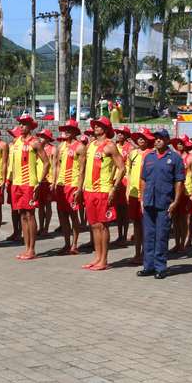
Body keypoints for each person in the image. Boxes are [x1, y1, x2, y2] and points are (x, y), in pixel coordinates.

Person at [138, 128, 185, 279]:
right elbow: (143, 179)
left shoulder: (175, 158)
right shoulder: (149, 156)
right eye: (156, 138)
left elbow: (179, 181)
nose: (157, 140)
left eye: (161, 138)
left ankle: (160, 267)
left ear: (167, 140)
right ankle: (148, 266)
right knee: (149, 235)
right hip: (149, 201)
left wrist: (176, 201)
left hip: (165, 202)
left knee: (162, 235)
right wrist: (142, 198)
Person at [81, 116, 125, 271]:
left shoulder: (110, 146)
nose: (96, 128)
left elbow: (121, 168)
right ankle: (97, 257)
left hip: (103, 190)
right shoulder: (91, 145)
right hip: (89, 190)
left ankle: (104, 259)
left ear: (106, 129)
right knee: (93, 225)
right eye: (95, 125)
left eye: (99, 126)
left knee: (102, 226)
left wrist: (114, 187)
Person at [5, 114, 46, 260]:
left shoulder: (35, 143)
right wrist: (8, 180)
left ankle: (32, 249)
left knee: (30, 215)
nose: (21, 126)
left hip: (29, 183)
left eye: (23, 124)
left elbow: (46, 162)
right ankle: (26, 247)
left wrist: (39, 182)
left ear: (30, 126)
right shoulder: (16, 142)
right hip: (17, 183)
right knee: (22, 215)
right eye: (20, 124)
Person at [53, 120, 86, 256]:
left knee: (73, 215)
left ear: (74, 131)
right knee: (62, 215)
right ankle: (66, 243)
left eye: (69, 129)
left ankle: (74, 244)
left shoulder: (80, 147)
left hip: (72, 184)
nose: (66, 131)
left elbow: (83, 169)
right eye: (65, 129)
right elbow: (57, 165)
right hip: (61, 185)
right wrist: (55, 182)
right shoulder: (60, 146)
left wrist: (79, 188)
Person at [125, 130, 150, 263]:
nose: (141, 140)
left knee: (145, 225)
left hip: (145, 195)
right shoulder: (132, 153)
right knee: (136, 225)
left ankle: (146, 254)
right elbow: (128, 173)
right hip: (134, 194)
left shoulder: (151, 154)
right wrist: (127, 190)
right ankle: (137, 254)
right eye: (139, 137)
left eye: (143, 138)